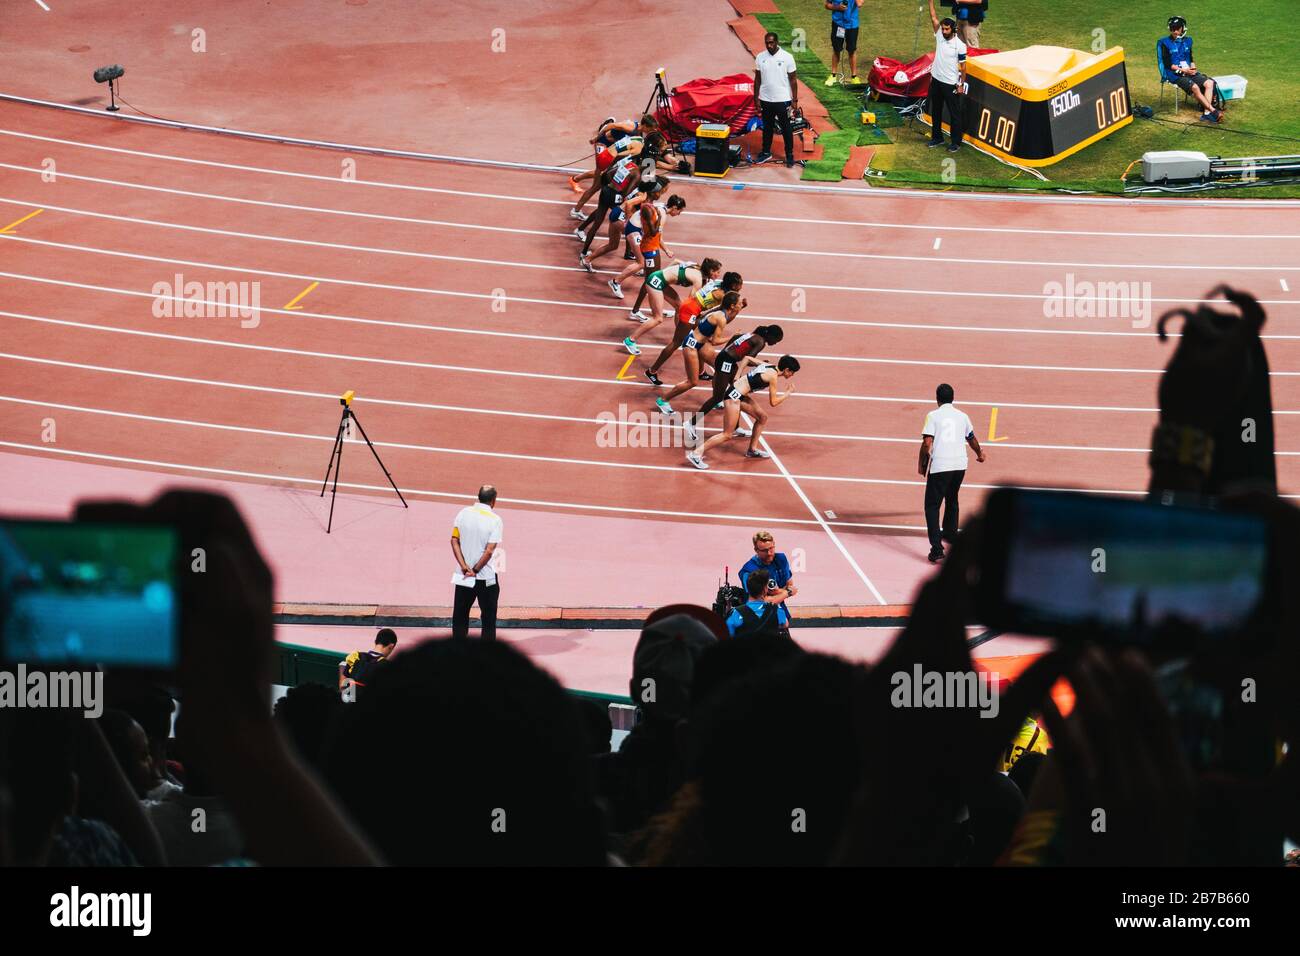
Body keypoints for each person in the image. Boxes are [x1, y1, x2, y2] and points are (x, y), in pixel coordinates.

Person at [687, 354, 799, 469]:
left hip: (740, 394)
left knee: (762, 417)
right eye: (792, 372)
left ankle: (752, 450)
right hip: (733, 397)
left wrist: (737, 375)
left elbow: (747, 358)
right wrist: (788, 392)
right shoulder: (773, 376)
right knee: (727, 434)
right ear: (786, 370)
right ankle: (695, 454)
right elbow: (773, 402)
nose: (792, 375)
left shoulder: (768, 366)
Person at [917, 383, 984, 563]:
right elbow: (971, 438)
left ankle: (937, 549)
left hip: (941, 465)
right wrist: (980, 454)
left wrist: (923, 461)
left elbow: (927, 442)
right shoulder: (962, 416)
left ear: (937, 398)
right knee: (952, 498)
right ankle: (950, 533)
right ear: (953, 398)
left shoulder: (933, 416)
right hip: (960, 465)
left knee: (932, 506)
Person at [686, 323, 784, 437]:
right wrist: (762, 364)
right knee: (718, 397)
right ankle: (691, 423)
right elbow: (748, 359)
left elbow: (735, 338)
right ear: (771, 336)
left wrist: (726, 353)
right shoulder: (760, 341)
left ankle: (735, 428)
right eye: (776, 340)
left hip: (727, 360)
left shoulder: (752, 334)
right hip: (726, 363)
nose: (775, 343)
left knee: (737, 393)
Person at [655, 289, 744, 411]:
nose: (741, 304)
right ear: (732, 306)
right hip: (691, 345)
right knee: (692, 382)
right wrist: (732, 337)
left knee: (719, 367)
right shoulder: (720, 318)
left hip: (700, 343)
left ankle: (716, 399)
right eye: (739, 303)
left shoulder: (721, 313)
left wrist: (739, 310)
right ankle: (663, 400)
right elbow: (715, 341)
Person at [641, 271, 741, 379]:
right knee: (676, 342)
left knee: (702, 338)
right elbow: (724, 317)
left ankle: (700, 372)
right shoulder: (723, 295)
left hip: (692, 307)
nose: (741, 287)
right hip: (690, 311)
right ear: (733, 285)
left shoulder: (718, 284)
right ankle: (652, 371)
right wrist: (738, 309)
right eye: (740, 285)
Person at [451, 484, 505, 640]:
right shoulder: (495, 520)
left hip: (463, 576)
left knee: (460, 615)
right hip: (485, 577)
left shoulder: (463, 513)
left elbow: (454, 540)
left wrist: (464, 567)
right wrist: (474, 570)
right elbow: (489, 551)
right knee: (488, 618)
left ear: (478, 497)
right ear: (494, 500)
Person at [1158, 16, 1223, 123]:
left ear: (1183, 28)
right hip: (1175, 75)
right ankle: (1213, 110)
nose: (1175, 31)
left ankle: (1206, 113)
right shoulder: (1165, 43)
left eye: (1177, 28)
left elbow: (1190, 58)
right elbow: (1168, 65)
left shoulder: (1187, 41)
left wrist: (1193, 66)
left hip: (1188, 71)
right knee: (1195, 87)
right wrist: (1185, 71)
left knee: (1209, 83)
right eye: (1172, 28)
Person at [926, 0, 968, 152]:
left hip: (950, 83)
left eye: (946, 29)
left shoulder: (960, 46)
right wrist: (930, 2)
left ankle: (956, 142)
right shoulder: (939, 35)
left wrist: (961, 84)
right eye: (942, 29)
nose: (943, 31)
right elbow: (933, 17)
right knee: (936, 111)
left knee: (954, 114)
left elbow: (963, 68)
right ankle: (937, 137)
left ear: (953, 30)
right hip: (936, 80)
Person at [753, 32, 799, 167]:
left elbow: (793, 80)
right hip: (766, 99)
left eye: (772, 42)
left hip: (782, 99)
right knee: (767, 127)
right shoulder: (760, 57)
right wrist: (756, 98)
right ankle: (766, 152)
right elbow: (757, 79)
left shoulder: (787, 57)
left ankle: (789, 154)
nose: (769, 45)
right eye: (767, 42)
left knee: (786, 128)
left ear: (777, 42)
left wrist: (794, 100)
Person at [738, 530, 797, 628]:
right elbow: (758, 602)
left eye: (771, 548)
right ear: (756, 550)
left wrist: (777, 592)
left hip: (779, 611)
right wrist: (787, 593)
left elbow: (790, 584)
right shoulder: (748, 571)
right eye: (764, 550)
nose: (769, 553)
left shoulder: (781, 559)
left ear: (774, 544)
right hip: (756, 617)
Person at [339, 628, 398, 699]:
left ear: (375, 642)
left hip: (349, 703)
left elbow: (343, 687)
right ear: (391, 646)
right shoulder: (386, 666)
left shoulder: (355, 657)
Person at [825, 0, 864, 86]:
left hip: (852, 25)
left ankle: (854, 77)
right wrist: (837, 7)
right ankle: (833, 75)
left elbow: (860, 4)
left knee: (852, 50)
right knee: (836, 50)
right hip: (838, 24)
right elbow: (827, 5)